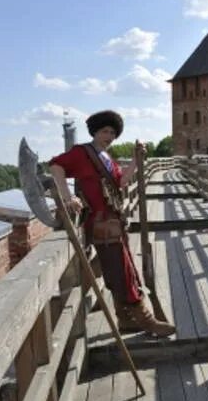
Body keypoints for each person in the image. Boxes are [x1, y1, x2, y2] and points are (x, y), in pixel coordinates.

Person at [49, 110, 176, 337]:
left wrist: (137, 159)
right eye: (105, 131)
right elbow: (56, 165)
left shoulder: (107, 159)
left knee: (123, 269)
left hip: (115, 223)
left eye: (113, 133)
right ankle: (147, 320)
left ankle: (125, 320)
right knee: (121, 270)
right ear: (95, 132)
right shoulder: (82, 153)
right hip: (99, 225)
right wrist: (68, 198)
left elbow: (123, 181)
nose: (109, 136)